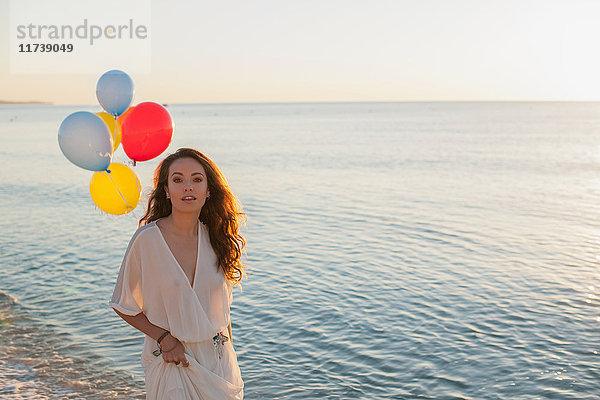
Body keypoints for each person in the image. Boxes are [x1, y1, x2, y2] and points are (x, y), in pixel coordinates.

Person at [109, 148, 247, 399]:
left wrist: (230, 361)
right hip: (173, 361)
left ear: (208, 190)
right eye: (177, 180)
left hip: (219, 365)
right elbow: (123, 304)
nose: (187, 187)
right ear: (166, 190)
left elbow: (222, 316)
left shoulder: (218, 240)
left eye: (196, 179)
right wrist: (165, 339)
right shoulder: (147, 240)